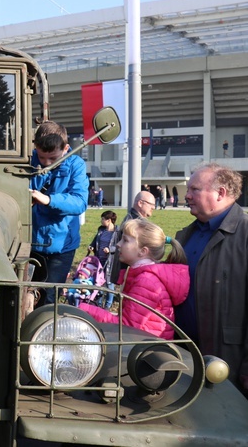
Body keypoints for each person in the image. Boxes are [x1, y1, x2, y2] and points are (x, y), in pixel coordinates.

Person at [174, 163, 248, 396]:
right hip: (185, 357)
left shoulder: (245, 237)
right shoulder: (186, 234)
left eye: (194, 189)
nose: (187, 195)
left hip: (229, 363)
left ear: (221, 193)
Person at [79, 219, 189, 340]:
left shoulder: (146, 281)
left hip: (147, 351)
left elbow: (128, 327)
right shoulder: (141, 275)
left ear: (143, 251)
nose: (118, 244)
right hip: (144, 344)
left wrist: (84, 309)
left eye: (125, 240)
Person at [29, 121, 89, 304]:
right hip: (31, 244)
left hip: (62, 247)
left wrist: (49, 200)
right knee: (25, 295)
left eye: (53, 159)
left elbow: (79, 202)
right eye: (41, 157)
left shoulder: (76, 165)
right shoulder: (28, 160)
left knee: (49, 299)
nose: (46, 163)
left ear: (66, 149)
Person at [88, 210, 118, 309]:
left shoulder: (117, 232)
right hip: (99, 260)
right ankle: (99, 302)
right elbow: (95, 241)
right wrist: (91, 246)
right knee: (99, 282)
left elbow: (119, 246)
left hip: (110, 262)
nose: (101, 221)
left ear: (109, 220)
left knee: (109, 284)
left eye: (103, 219)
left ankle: (108, 305)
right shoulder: (101, 230)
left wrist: (110, 249)